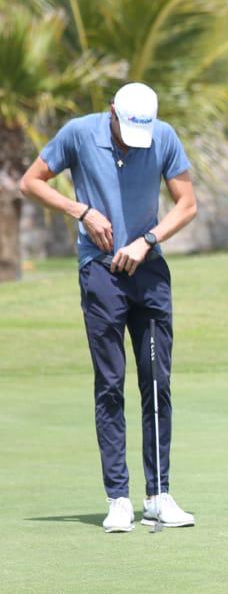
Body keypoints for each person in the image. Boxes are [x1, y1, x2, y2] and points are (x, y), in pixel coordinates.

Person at [19, 83, 198, 533]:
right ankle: (118, 498)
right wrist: (81, 211)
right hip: (99, 273)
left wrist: (148, 240)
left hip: (149, 269)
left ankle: (158, 496)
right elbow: (30, 182)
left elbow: (187, 205)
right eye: (124, 128)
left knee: (156, 382)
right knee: (110, 384)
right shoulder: (79, 133)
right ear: (112, 111)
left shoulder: (164, 136)